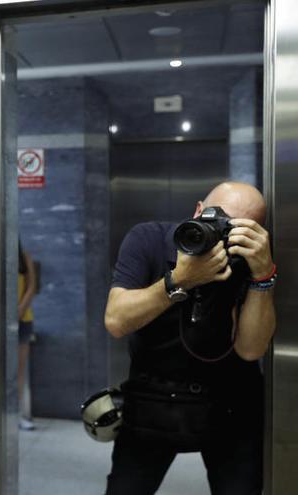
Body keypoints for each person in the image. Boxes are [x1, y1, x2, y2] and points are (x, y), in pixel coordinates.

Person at [104, 182, 275, 494]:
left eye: (238, 229)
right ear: (198, 210)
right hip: (152, 402)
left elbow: (251, 350)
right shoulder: (150, 239)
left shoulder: (251, 261)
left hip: (232, 406)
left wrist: (262, 276)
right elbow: (116, 321)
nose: (223, 236)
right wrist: (180, 280)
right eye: (218, 220)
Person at [17, 241, 37, 431]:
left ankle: (20, 414)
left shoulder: (25, 257)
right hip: (3, 322)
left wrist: (20, 309)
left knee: (20, 371)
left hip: (23, 320)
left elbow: (32, 286)